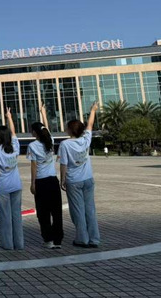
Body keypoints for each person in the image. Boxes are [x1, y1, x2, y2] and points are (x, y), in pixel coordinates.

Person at [59, 102, 101, 248]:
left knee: (78, 211)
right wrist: (93, 110)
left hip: (74, 181)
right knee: (90, 210)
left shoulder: (65, 144)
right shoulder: (85, 139)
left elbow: (63, 164)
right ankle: (94, 239)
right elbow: (90, 125)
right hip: (88, 179)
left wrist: (62, 180)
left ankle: (82, 239)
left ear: (70, 130)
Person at [27, 102, 63, 249]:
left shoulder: (33, 146)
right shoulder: (50, 140)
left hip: (41, 181)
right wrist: (43, 113)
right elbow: (46, 129)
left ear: (34, 133)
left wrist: (32, 183)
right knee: (56, 211)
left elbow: (34, 166)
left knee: (43, 212)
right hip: (53, 180)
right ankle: (58, 240)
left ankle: (48, 239)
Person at [0, 108, 24, 250]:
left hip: (3, 186)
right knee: (17, 216)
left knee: (5, 217)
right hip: (16, 185)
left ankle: (8, 244)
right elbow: (14, 132)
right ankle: (19, 243)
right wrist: (9, 117)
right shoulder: (15, 146)